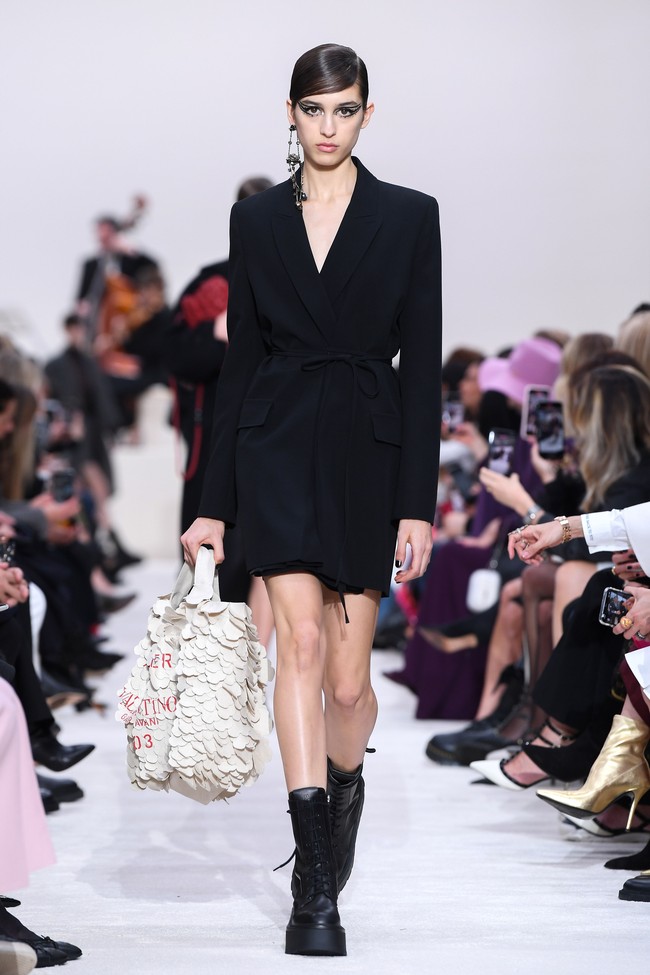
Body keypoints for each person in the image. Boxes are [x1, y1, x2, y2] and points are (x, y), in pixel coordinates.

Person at [181, 43, 441, 957]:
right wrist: (215, 502)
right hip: (279, 441)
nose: (328, 127)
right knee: (294, 643)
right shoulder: (253, 221)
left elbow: (422, 374)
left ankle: (343, 799)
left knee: (347, 681)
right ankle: (315, 885)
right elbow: (239, 360)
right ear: (289, 114)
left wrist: (420, 501)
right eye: (313, 110)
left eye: (345, 110)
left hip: (369, 451)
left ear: (368, 114)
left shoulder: (410, 217)